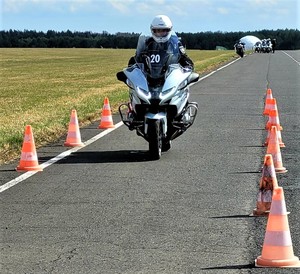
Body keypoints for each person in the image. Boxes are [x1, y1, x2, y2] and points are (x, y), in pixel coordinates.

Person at [128, 15, 194, 71]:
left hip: (170, 79)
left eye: (164, 30)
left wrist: (187, 68)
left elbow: (185, 59)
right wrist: (131, 70)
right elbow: (137, 59)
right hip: (148, 79)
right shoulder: (147, 43)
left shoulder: (174, 43)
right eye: (157, 30)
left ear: (169, 30)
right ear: (152, 30)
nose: (161, 33)